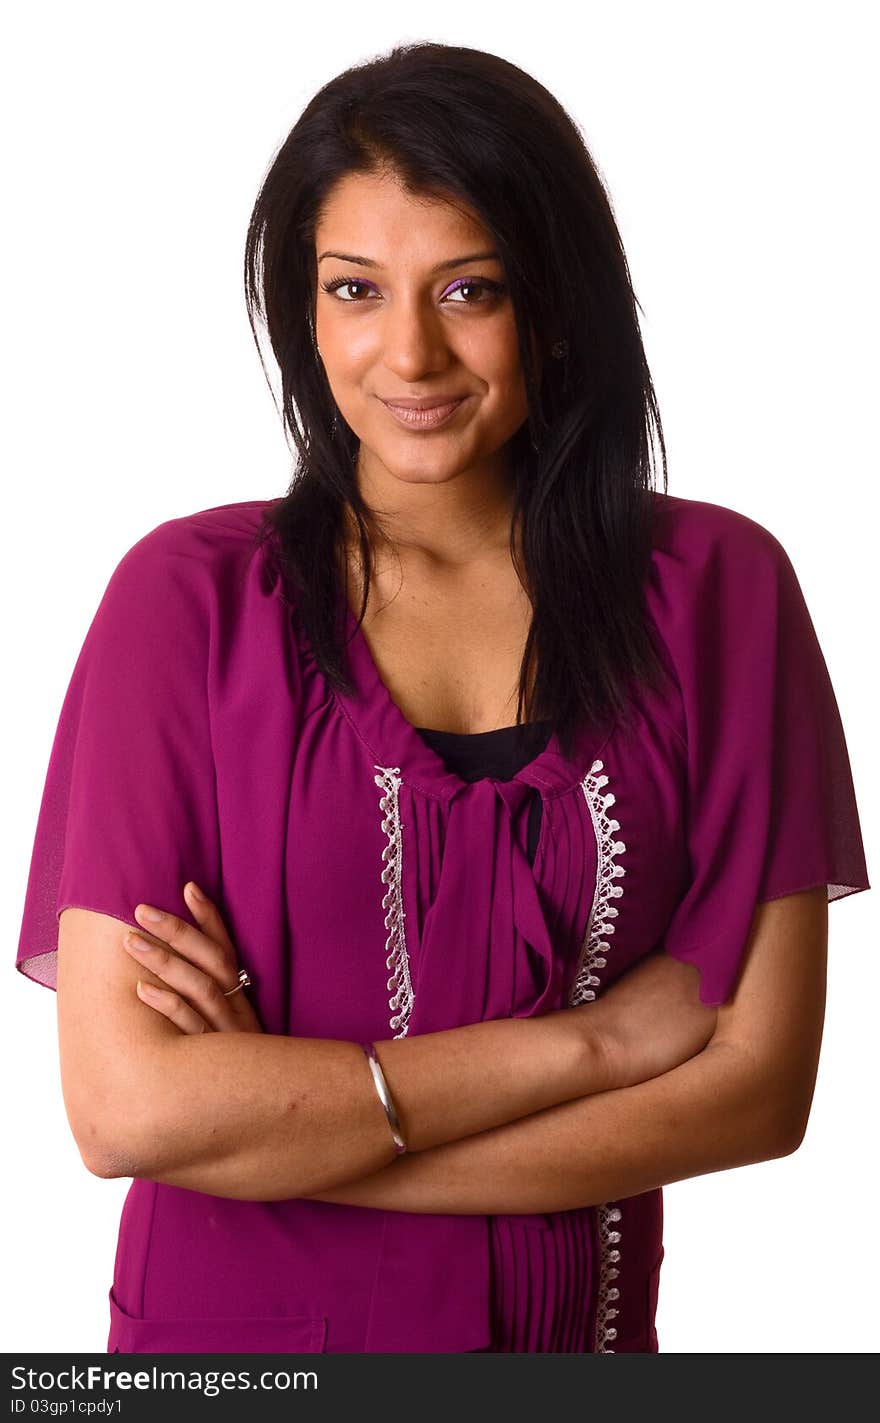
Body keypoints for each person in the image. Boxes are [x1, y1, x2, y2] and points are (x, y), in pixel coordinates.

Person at [14, 42, 869, 1355]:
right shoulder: (184, 602)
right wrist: (588, 1049)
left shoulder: (722, 594)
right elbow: (128, 1114)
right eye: (355, 288)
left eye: (469, 289)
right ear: (306, 314)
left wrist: (284, 1125)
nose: (407, 351)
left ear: (561, 303)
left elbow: (753, 1094)